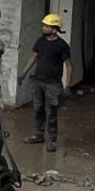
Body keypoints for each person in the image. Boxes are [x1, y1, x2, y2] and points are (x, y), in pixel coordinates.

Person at [22, 13, 73, 151]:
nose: (43, 28)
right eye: (44, 25)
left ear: (54, 29)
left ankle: (52, 140)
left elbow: (69, 66)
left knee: (51, 112)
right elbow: (34, 57)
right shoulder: (41, 41)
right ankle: (38, 135)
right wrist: (24, 73)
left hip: (53, 84)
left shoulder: (62, 46)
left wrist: (68, 85)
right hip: (38, 81)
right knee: (38, 109)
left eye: (47, 26)